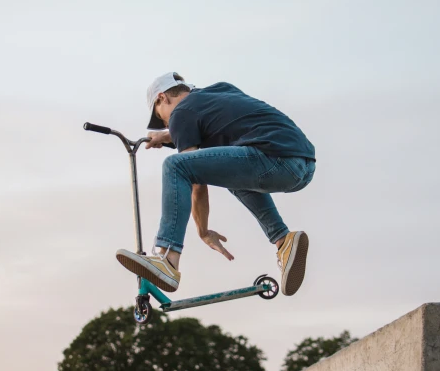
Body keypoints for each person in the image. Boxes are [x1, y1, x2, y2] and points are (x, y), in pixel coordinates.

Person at [116, 73, 316, 296]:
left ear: (162, 98)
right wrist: (166, 136)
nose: (165, 122)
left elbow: (194, 178)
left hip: (274, 159)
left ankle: (168, 259)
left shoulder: (180, 114)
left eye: (161, 117)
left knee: (175, 166)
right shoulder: (221, 90)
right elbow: (208, 121)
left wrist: (203, 231)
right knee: (234, 177)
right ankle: (284, 241)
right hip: (302, 163)